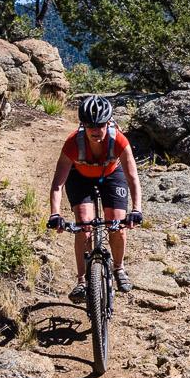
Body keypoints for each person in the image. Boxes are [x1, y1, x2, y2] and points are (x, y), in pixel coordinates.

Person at [47, 95, 143, 301]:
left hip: (112, 175)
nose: (95, 130)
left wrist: (136, 208)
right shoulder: (73, 143)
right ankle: (82, 281)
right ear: (83, 125)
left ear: (108, 123)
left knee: (117, 223)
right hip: (80, 177)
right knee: (84, 225)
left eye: (100, 125)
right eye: (90, 125)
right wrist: (55, 214)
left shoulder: (118, 140)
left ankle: (119, 268)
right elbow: (57, 184)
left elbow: (133, 177)